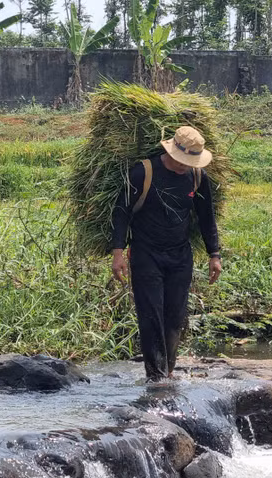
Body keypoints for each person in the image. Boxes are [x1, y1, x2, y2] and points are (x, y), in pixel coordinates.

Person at [110, 126, 223, 382]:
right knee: (151, 316)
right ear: (170, 152)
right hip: (146, 254)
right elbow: (121, 211)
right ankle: (156, 377)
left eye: (190, 162)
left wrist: (214, 254)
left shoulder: (197, 176)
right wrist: (118, 253)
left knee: (175, 316)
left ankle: (168, 371)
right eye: (182, 161)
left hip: (180, 256)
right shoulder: (143, 172)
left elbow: (206, 216)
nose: (185, 166)